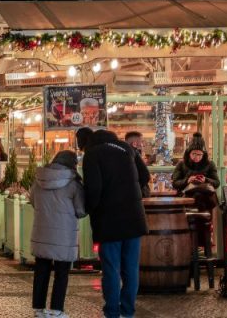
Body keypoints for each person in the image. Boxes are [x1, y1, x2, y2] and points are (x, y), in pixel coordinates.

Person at [81, 128, 147, 318]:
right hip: (134, 219)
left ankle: (112, 312)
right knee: (131, 269)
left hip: (108, 220)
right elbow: (144, 176)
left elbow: (94, 189)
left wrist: (88, 208)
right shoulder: (127, 148)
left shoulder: (92, 154)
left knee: (111, 268)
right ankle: (128, 312)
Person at [30, 150, 86, 318]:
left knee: (41, 270)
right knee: (61, 272)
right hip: (64, 235)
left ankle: (38, 309)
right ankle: (56, 309)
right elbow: (81, 210)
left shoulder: (39, 179)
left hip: (42, 232)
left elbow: (33, 201)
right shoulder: (73, 184)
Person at [123, 131, 151, 197]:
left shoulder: (120, 154)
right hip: (138, 193)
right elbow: (145, 175)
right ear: (134, 144)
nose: (142, 145)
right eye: (141, 142)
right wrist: (136, 186)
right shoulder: (134, 153)